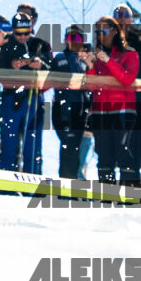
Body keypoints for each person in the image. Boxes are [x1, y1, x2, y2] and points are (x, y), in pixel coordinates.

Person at [0, 5, 49, 174]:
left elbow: (52, 68)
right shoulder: (6, 44)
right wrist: (10, 65)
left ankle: (34, 181)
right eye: (19, 33)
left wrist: (41, 65)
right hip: (11, 98)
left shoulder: (40, 44)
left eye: (26, 33)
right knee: (9, 146)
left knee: (33, 147)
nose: (23, 37)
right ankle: (6, 182)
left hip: (34, 98)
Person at [85, 16, 141, 184]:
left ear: (115, 31)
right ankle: (107, 194)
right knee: (104, 157)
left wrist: (109, 61)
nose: (101, 35)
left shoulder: (129, 53)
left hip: (123, 111)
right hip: (100, 112)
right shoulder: (97, 56)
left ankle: (130, 194)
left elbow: (128, 78)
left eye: (104, 30)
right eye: (97, 32)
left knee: (124, 154)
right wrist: (90, 67)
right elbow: (91, 87)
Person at [48, 25, 90, 180]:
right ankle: (66, 183)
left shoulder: (85, 61)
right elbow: (53, 77)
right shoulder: (60, 58)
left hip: (81, 111)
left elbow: (91, 85)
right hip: (63, 109)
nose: (74, 41)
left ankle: (72, 184)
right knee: (68, 146)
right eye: (70, 37)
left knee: (76, 148)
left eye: (77, 38)